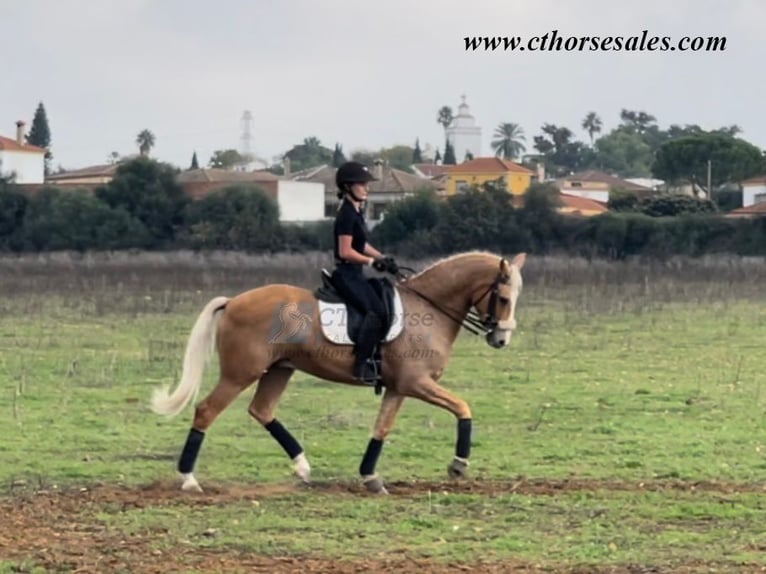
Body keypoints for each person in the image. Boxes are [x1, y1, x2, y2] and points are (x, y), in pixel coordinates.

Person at [331, 161, 397, 384]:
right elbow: (345, 251)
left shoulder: (356, 212)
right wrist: (372, 262)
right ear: (348, 186)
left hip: (356, 273)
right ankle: (361, 364)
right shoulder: (346, 215)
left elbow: (362, 245)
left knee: (384, 297)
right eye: (362, 184)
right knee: (377, 312)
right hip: (347, 274)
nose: (367, 188)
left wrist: (383, 259)